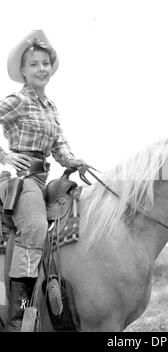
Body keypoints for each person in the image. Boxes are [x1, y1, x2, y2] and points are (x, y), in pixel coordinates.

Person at [0, 30, 89, 331]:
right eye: (34, 64)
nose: (41, 69)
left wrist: (72, 160)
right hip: (20, 178)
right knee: (36, 227)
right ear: (23, 71)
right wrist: (4, 156)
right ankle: (19, 318)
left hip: (43, 177)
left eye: (45, 63)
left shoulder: (50, 107)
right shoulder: (17, 100)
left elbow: (59, 145)